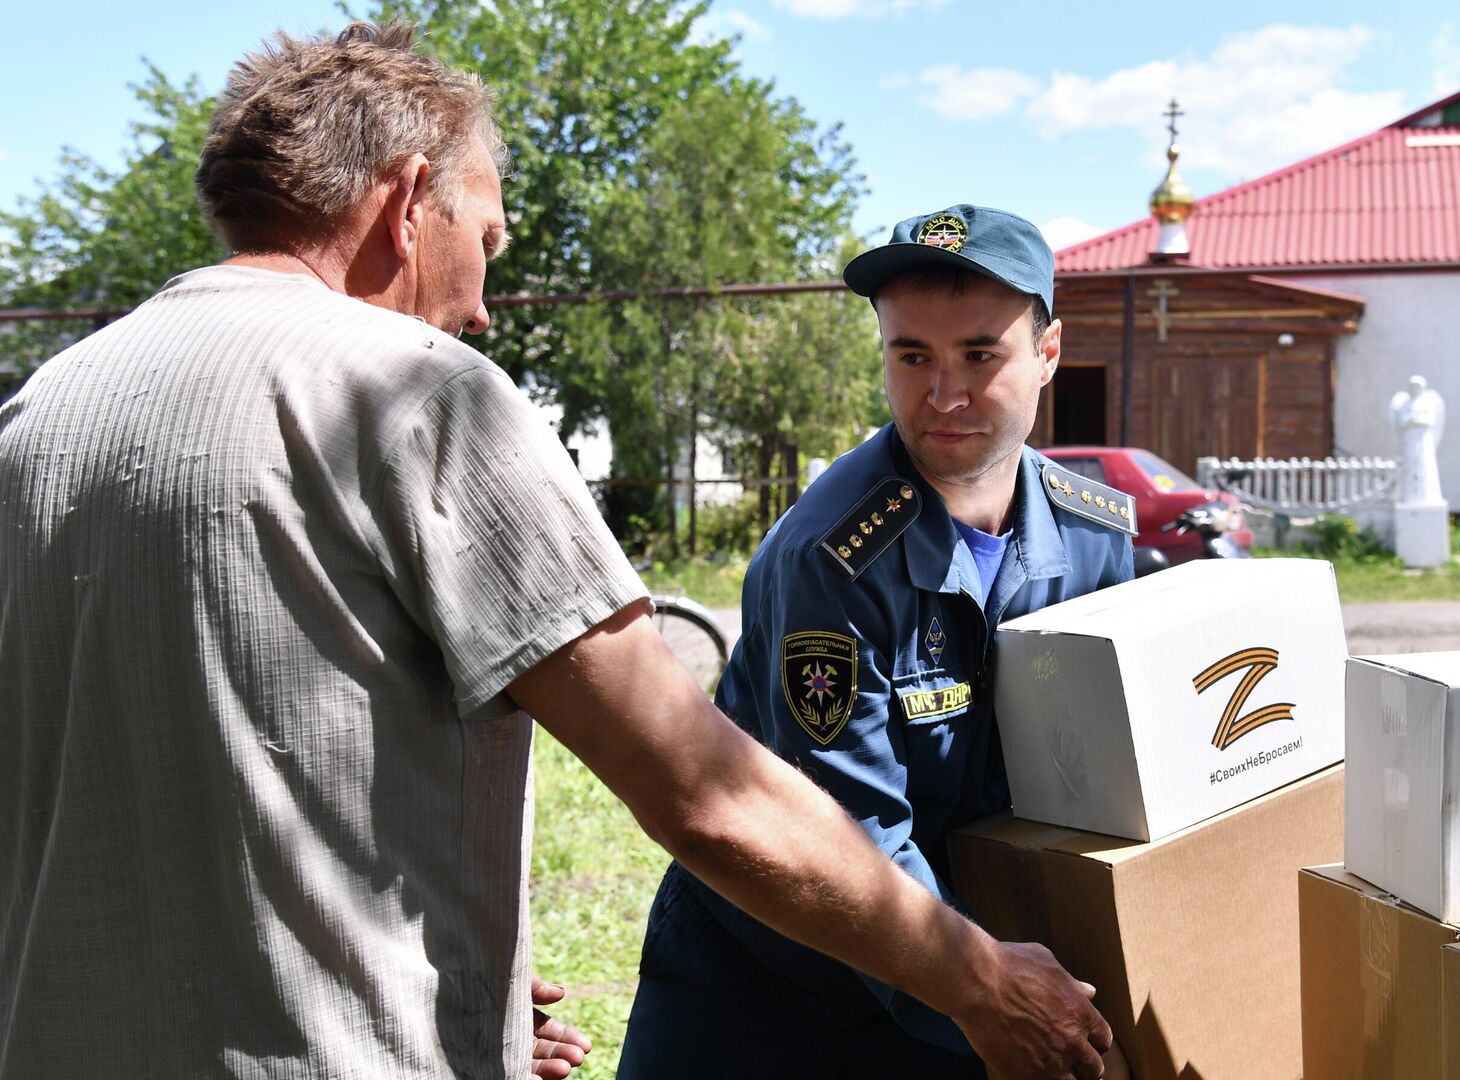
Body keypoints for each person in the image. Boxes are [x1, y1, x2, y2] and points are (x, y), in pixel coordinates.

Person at [0, 26, 1112, 1079]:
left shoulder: (41, 413)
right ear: (402, 208)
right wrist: (983, 985)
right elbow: (703, 791)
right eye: (485, 240)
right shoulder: (412, 396)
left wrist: (440, 961)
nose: (483, 307)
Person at [617, 205, 1137, 1078]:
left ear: (1047, 356)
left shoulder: (1094, 534)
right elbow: (850, 837)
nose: (943, 395)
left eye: (980, 354)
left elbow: (1110, 779)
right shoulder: (836, 556)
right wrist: (993, 1002)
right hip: (772, 981)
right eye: (913, 357)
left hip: (959, 956)